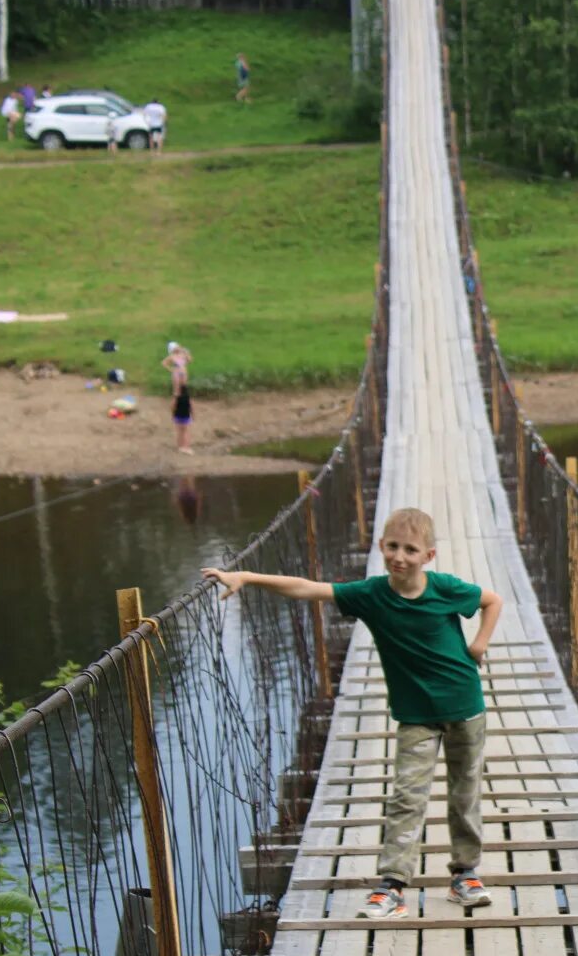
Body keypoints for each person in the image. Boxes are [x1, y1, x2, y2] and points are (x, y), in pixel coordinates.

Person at [202, 508, 505, 919]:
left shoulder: (445, 589)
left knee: (464, 792)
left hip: (465, 707)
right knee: (407, 796)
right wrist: (247, 578)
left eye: (411, 550)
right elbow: (308, 589)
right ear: (381, 546)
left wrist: (479, 645)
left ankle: (464, 875)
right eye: (393, 546)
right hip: (416, 714)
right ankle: (394, 885)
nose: (400, 556)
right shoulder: (371, 594)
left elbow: (492, 601)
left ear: (428, 556)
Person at [163, 341, 194, 453]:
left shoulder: (183, 354)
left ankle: (182, 400)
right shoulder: (172, 357)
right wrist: (171, 369)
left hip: (183, 373)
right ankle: (176, 403)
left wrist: (186, 353)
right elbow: (164, 363)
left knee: (184, 388)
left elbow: (190, 360)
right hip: (176, 373)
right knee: (177, 392)